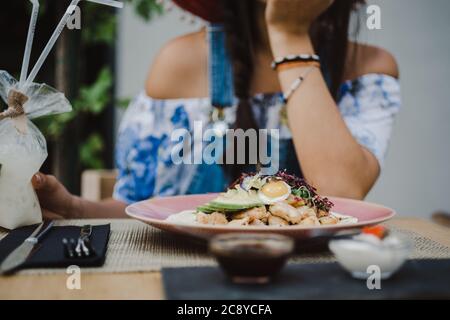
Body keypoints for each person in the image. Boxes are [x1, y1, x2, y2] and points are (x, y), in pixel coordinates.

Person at [32, 0, 401, 219]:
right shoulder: (180, 63)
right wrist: (75, 209)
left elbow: (341, 194)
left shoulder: (367, 70)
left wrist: (289, 34)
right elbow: (143, 209)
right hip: (184, 280)